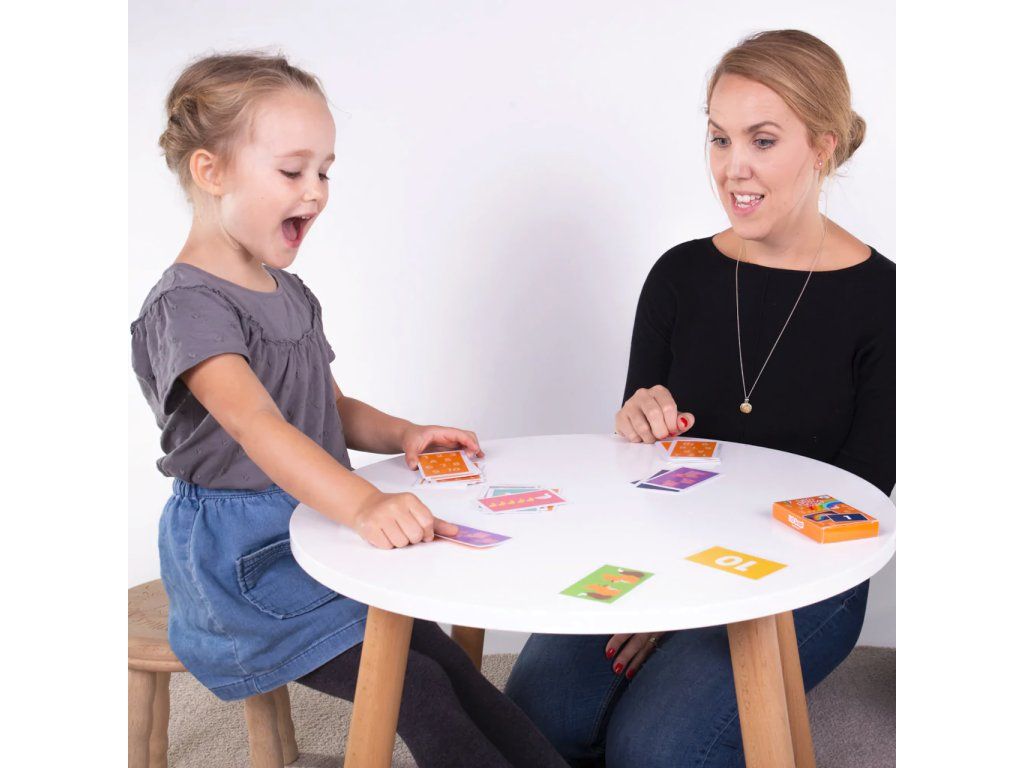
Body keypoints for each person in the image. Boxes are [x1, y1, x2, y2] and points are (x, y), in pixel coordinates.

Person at [130, 51, 566, 768]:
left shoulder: (289, 293)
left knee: (445, 662)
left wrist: (405, 434)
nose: (316, 192)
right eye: (292, 171)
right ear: (211, 172)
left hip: (316, 525)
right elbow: (258, 426)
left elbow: (328, 409)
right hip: (244, 562)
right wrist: (363, 505)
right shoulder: (188, 305)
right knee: (414, 687)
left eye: (325, 172)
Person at [505, 29, 895, 768]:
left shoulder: (886, 299)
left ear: (822, 146)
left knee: (655, 749)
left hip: (808, 576)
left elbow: (858, 500)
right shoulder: (679, 276)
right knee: (537, 714)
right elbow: (642, 465)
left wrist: (690, 604)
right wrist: (634, 424)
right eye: (719, 138)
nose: (732, 167)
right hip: (661, 547)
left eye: (762, 140)